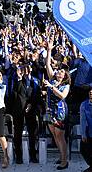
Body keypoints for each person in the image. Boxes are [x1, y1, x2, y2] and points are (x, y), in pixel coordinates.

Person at [44, 38, 70, 170]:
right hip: (49, 110)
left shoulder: (65, 85)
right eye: (58, 71)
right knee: (54, 134)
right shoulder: (52, 79)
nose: (58, 72)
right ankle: (61, 156)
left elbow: (62, 96)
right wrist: (49, 50)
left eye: (61, 72)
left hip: (60, 111)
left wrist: (51, 87)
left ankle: (65, 161)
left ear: (64, 76)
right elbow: (47, 65)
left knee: (60, 136)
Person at [80, 87, 92, 172]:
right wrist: (83, 134)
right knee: (83, 150)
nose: (91, 92)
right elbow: (83, 120)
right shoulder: (84, 104)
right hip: (89, 132)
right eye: (90, 91)